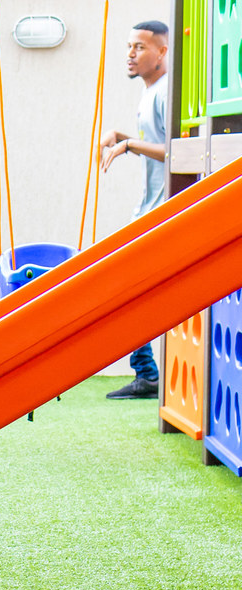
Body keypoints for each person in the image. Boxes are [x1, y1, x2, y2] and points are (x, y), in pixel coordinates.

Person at [99, 19, 169, 400]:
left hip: (162, 211)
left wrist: (130, 147)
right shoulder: (150, 92)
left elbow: (176, 152)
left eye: (140, 47)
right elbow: (155, 142)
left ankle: (147, 374)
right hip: (147, 207)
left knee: (124, 288)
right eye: (129, 47)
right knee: (122, 288)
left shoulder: (164, 94)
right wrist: (122, 136)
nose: (130, 54)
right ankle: (146, 373)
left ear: (162, 51)